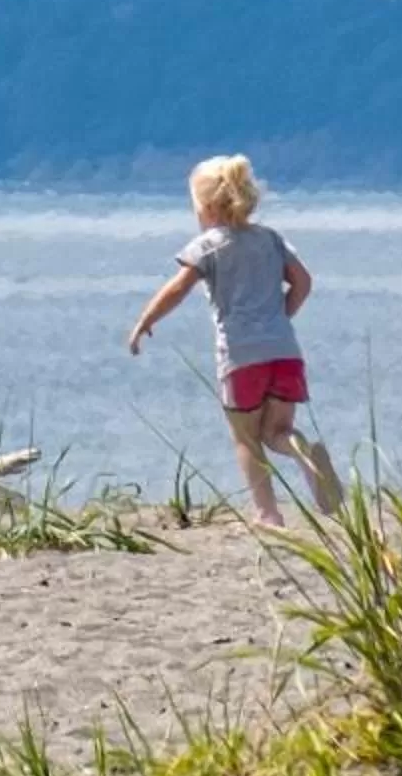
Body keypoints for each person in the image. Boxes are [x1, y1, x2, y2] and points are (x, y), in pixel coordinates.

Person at [126, 155, 341, 526]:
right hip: (285, 351)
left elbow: (177, 288)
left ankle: (268, 513)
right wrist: (280, 317)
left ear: (207, 207)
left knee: (246, 438)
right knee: (279, 432)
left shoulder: (207, 246)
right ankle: (303, 454)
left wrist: (146, 319)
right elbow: (303, 282)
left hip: (241, 357)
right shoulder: (271, 239)